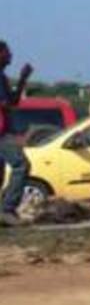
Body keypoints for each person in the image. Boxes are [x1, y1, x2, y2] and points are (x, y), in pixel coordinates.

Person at [0, 40, 34, 226]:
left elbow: (12, 102)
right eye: (7, 52)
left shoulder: (2, 77)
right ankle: (7, 209)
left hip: (4, 129)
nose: (10, 56)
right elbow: (6, 104)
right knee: (21, 165)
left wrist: (22, 79)